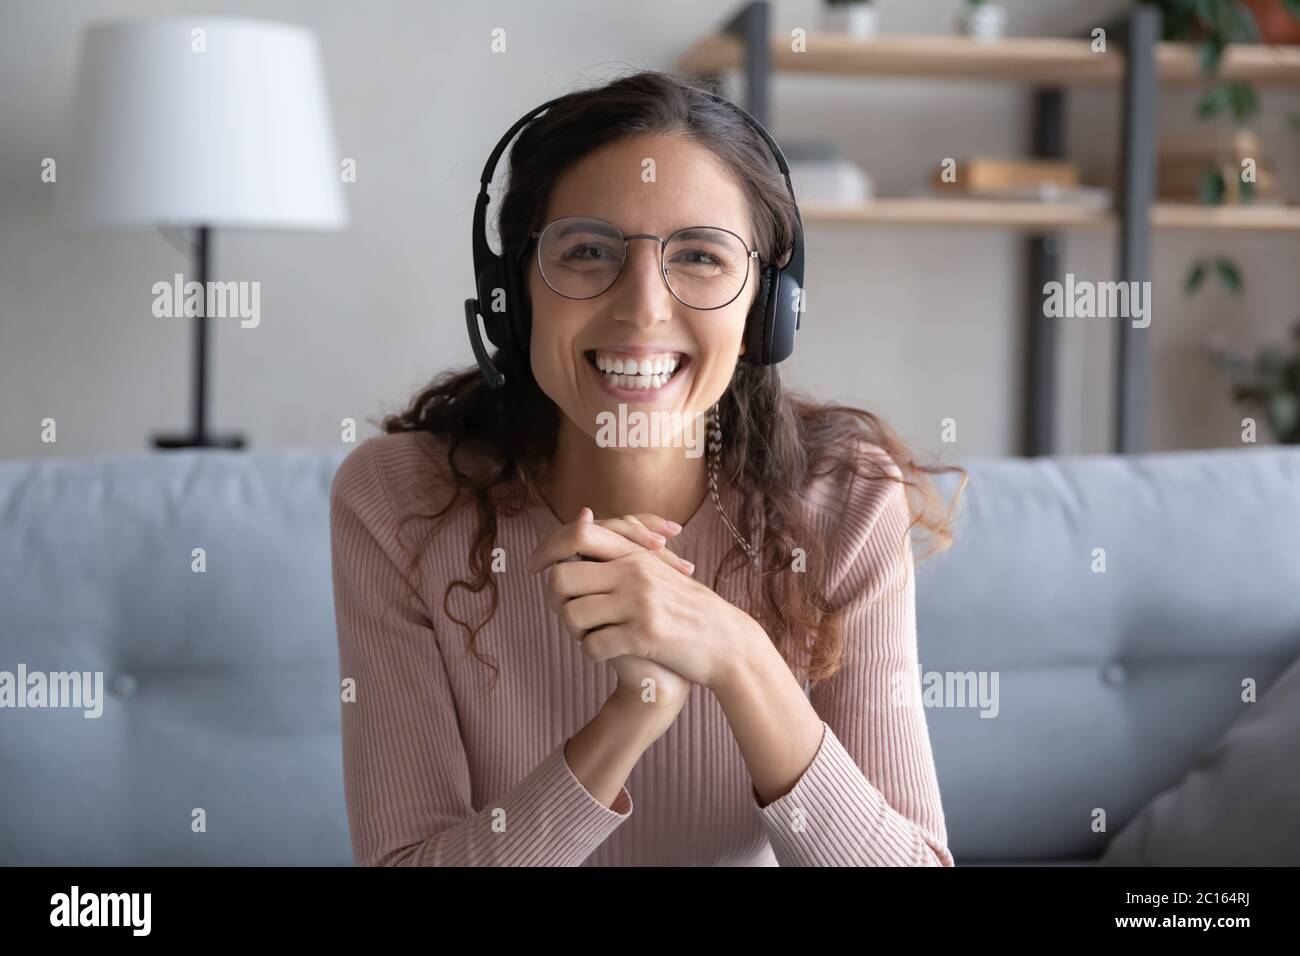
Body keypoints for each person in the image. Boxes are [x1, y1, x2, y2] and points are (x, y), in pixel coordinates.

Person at [330, 70, 966, 866]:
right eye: (588, 251)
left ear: (767, 310)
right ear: (512, 297)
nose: (641, 307)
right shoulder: (399, 502)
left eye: (699, 256)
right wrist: (632, 714)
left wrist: (737, 656)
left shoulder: (843, 502)